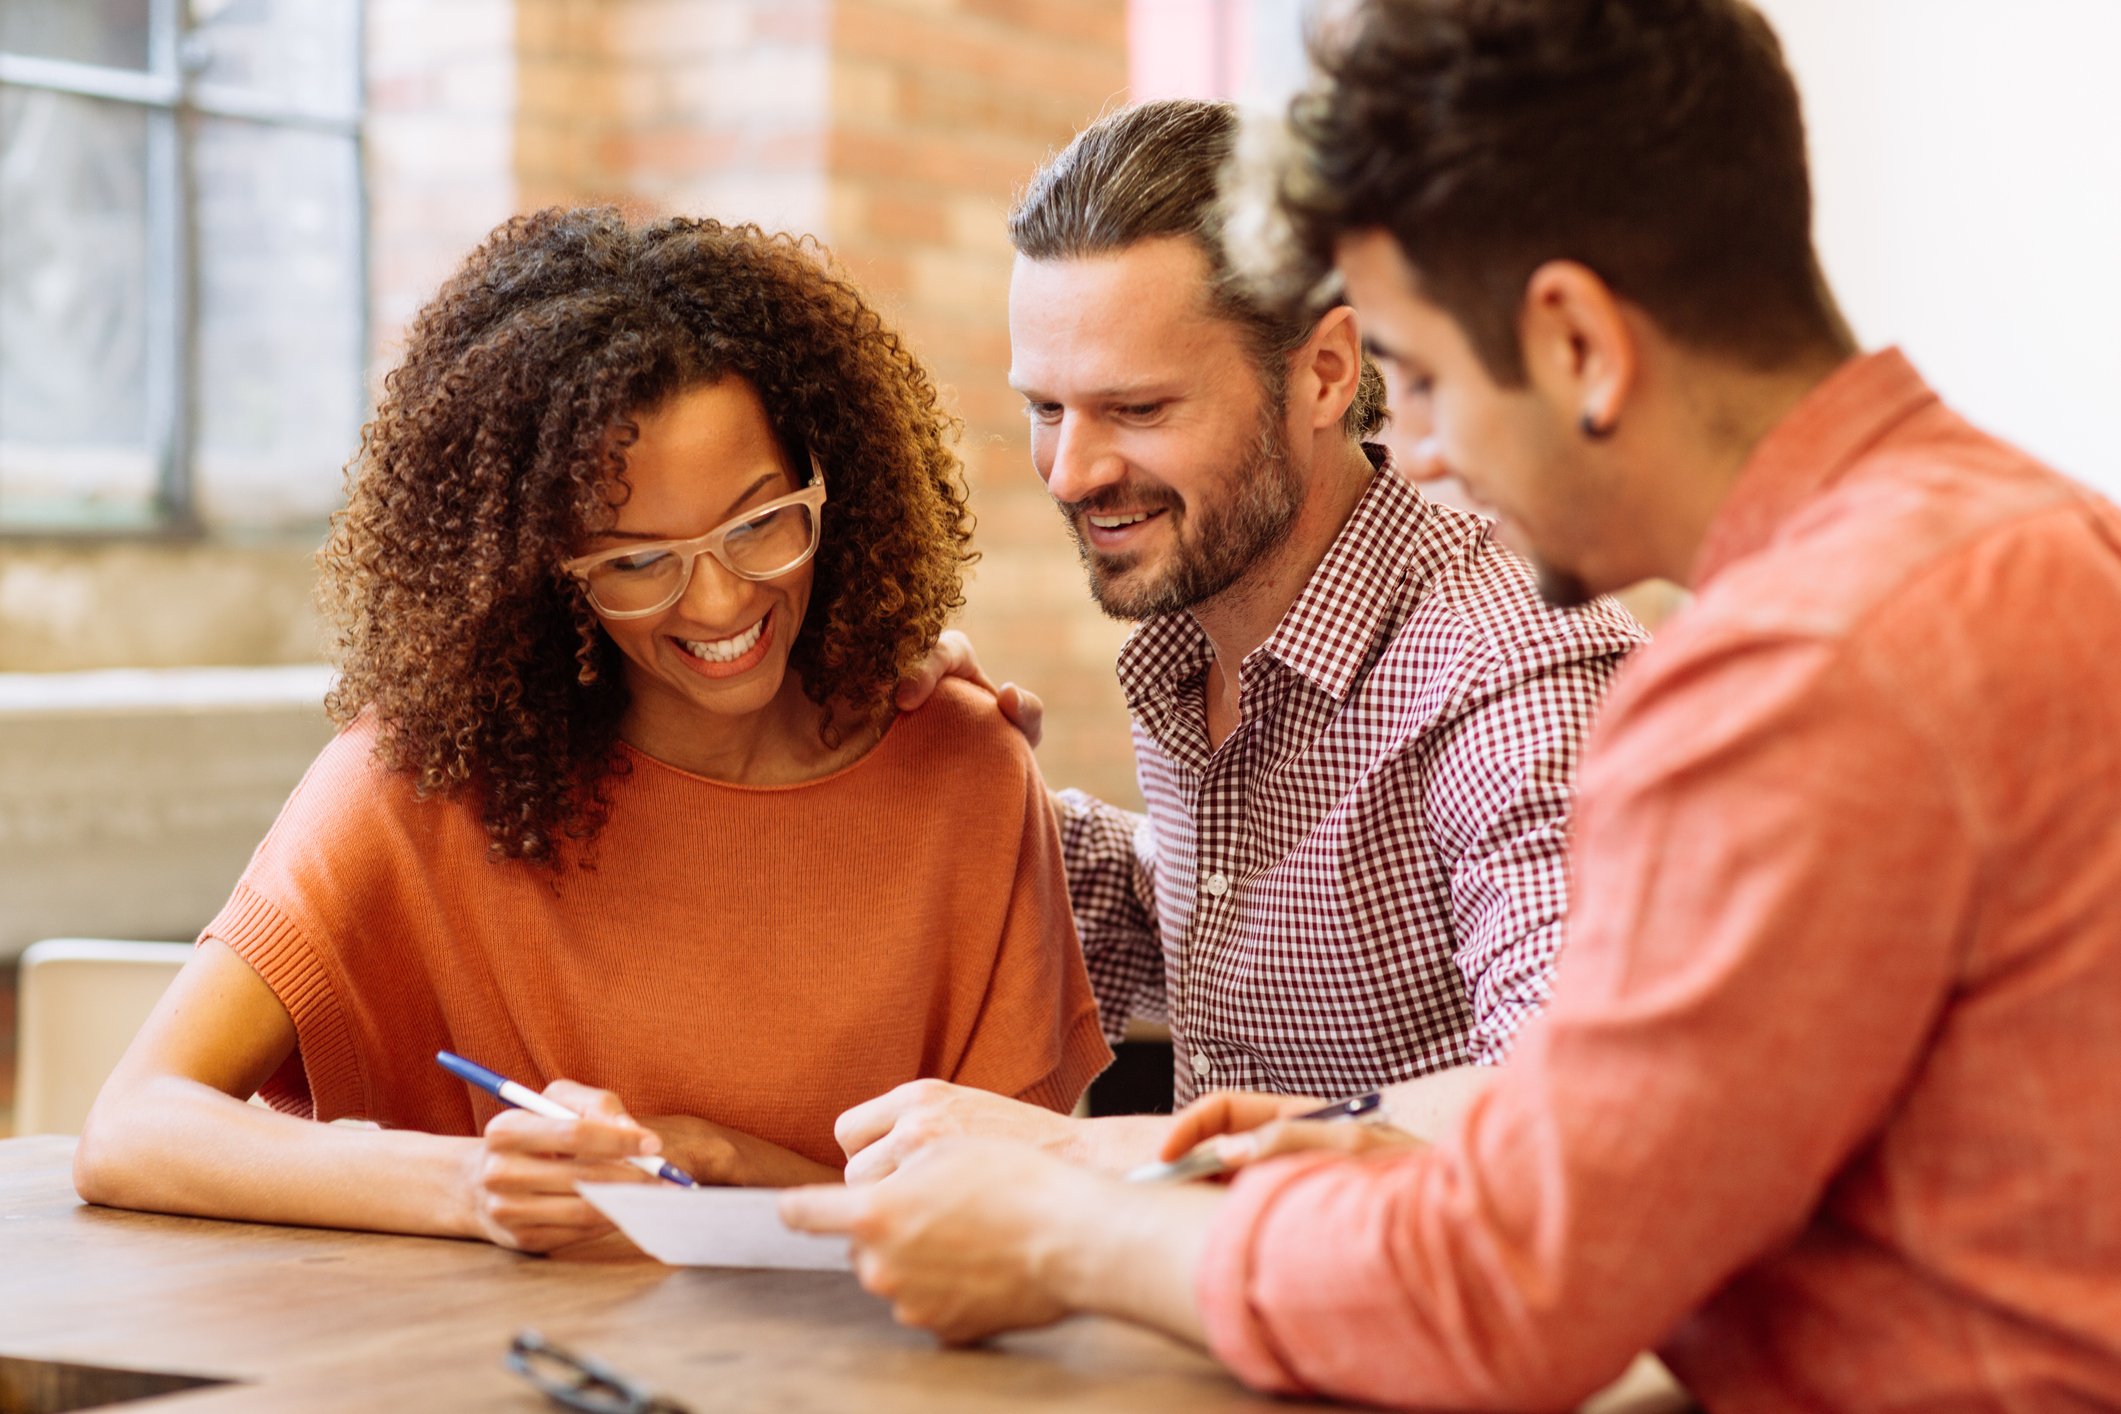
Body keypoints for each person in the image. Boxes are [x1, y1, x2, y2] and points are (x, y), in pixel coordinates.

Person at [782, 1, 2121, 1406]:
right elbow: (1615, 1134)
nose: (1411, 446)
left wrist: (1063, 1220)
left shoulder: (1797, 668)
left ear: (1576, 343)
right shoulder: (2029, 542)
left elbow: (1515, 1278)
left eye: (1417, 376)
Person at [72, 208, 1110, 1253]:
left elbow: (1017, 1232)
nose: (715, 604)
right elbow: (133, 1126)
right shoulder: (427, 781)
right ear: (544, 566)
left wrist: (725, 1163)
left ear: (829, 482)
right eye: (635, 561)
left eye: (760, 524)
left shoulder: (967, 775)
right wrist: (471, 1183)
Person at [844, 98, 1645, 1183]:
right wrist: (963, 778)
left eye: (1136, 408)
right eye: (1046, 407)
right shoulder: (1197, 626)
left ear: (1321, 373)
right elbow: (1234, 919)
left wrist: (1088, 1154)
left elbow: (1579, 1100)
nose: (1072, 471)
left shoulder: (1512, 663)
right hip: (1224, 1324)